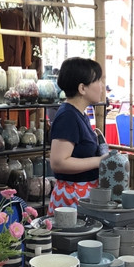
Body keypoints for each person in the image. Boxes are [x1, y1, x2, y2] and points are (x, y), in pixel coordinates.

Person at [48, 57, 107, 214]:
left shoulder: (78, 114)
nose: (102, 86)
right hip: (71, 197)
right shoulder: (68, 116)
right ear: (82, 88)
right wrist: (99, 161)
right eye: (98, 81)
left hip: (80, 195)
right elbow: (58, 163)